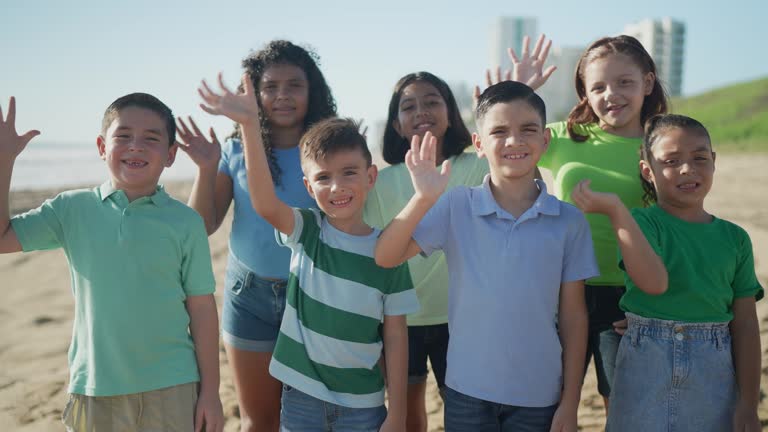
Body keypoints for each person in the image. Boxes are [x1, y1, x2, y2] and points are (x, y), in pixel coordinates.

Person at [198, 73, 419, 432]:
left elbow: (395, 337)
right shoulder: (308, 231)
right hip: (300, 399)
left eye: (349, 173)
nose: (337, 187)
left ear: (370, 177)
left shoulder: (388, 252)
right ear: (307, 186)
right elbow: (266, 203)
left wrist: (398, 414)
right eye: (323, 178)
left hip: (365, 405)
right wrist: (251, 125)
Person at [375, 81, 598, 432]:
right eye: (499, 131)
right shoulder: (456, 205)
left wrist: (570, 403)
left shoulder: (569, 222)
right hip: (465, 391)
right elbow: (387, 257)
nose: (514, 141)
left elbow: (573, 316)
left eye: (528, 130)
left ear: (545, 140)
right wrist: (422, 199)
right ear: (479, 144)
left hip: (539, 394)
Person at [0, 95, 223, 432]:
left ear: (171, 155)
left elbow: (203, 308)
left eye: (151, 138)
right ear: (102, 146)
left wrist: (211, 393)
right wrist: (5, 159)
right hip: (95, 385)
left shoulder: (185, 222)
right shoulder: (71, 209)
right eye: (123, 136)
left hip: (174, 382)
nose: (136, 146)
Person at [481, 34, 669, 410]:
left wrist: (653, 309)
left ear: (647, 83)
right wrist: (520, 91)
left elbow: (676, 229)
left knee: (621, 402)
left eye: (625, 83)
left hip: (629, 296)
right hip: (559, 287)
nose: (611, 94)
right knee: (547, 399)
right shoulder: (567, 137)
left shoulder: (661, 145)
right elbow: (490, 148)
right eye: (598, 86)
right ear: (584, 91)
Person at [176, 40, 336, 432]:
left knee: (317, 418)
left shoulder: (331, 150)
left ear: (311, 90)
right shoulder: (234, 150)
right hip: (248, 297)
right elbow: (202, 225)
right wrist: (205, 167)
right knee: (258, 420)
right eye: (270, 87)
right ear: (254, 94)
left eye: (294, 85)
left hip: (318, 293)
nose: (282, 95)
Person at [572, 114, 763, 432]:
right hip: (646, 364)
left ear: (713, 161)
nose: (688, 169)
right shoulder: (640, 224)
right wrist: (617, 212)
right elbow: (653, 284)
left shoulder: (735, 238)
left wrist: (747, 404)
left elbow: (745, 325)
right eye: (671, 161)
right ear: (648, 171)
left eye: (699, 158)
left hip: (714, 370)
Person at [364, 71, 488, 432]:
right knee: (408, 408)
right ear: (396, 125)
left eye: (432, 101)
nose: (421, 111)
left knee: (465, 408)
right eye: (408, 106)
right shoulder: (382, 182)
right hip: (399, 319)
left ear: (450, 113)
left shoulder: (478, 167)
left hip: (462, 317)